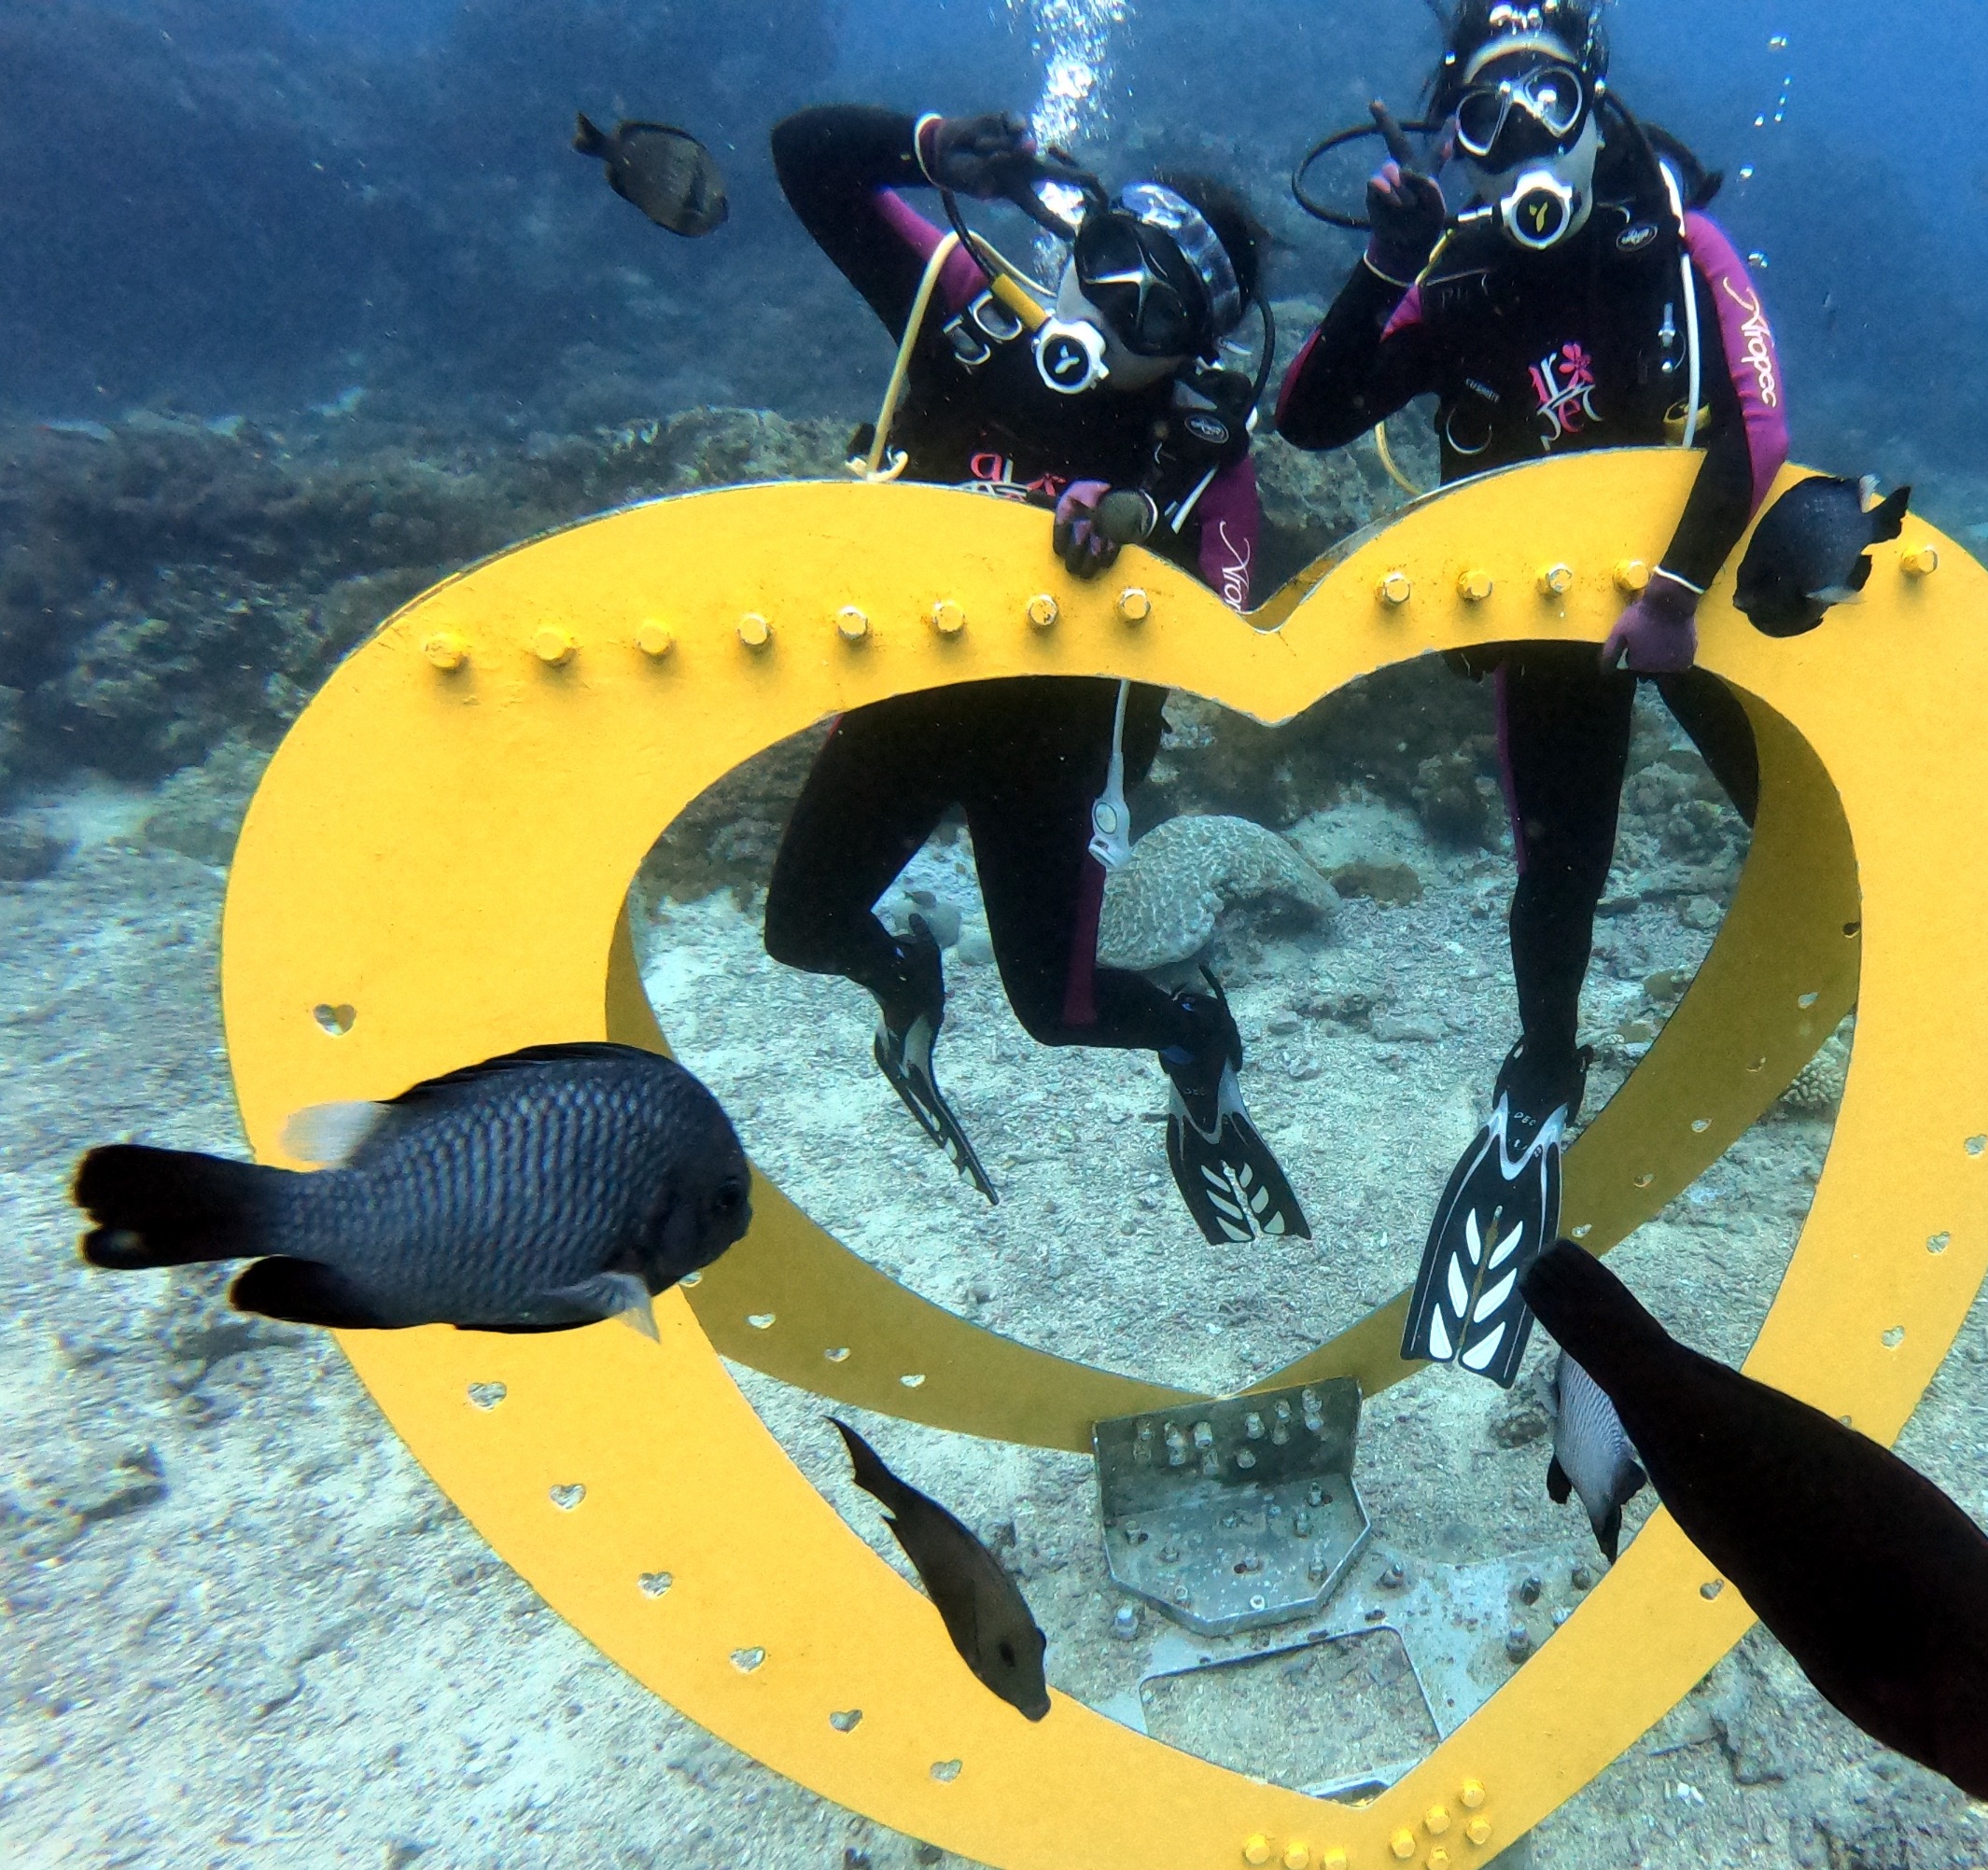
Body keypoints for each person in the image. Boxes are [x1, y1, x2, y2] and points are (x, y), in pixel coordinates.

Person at [1274, 0, 1788, 1381]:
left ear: (1587, 107)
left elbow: (1758, 423)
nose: (1516, 139)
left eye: (1542, 102)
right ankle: (1542, 1077)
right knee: (1558, 870)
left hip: (1703, 589)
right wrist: (1384, 265)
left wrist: (1679, 591)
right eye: (1484, 119)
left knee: (1788, 803)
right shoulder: (1466, 281)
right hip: (1556, 627)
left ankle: (1853, 946)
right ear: (1462, 141)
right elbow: (1311, 418)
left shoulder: (1664, 234)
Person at [763, 103, 1306, 1246]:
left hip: (1051, 758)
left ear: (1195, 347)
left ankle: (1196, 1034)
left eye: (1154, 308)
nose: (1109, 309)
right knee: (803, 929)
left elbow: (1228, 624)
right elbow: (806, 162)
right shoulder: (968, 318)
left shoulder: (1189, 451)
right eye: (1104, 265)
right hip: (910, 704)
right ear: (1075, 240)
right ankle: (908, 975)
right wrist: (928, 146)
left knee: (1056, 1015)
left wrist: (1141, 533)